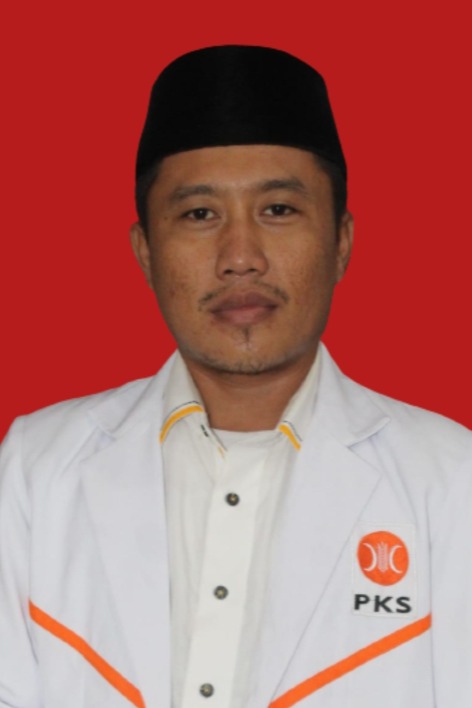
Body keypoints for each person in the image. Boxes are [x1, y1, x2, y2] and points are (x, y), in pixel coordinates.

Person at [0, 45, 471, 708]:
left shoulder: (451, 480)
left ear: (341, 242)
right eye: (200, 214)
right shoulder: (36, 470)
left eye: (278, 209)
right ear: (145, 252)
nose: (241, 257)